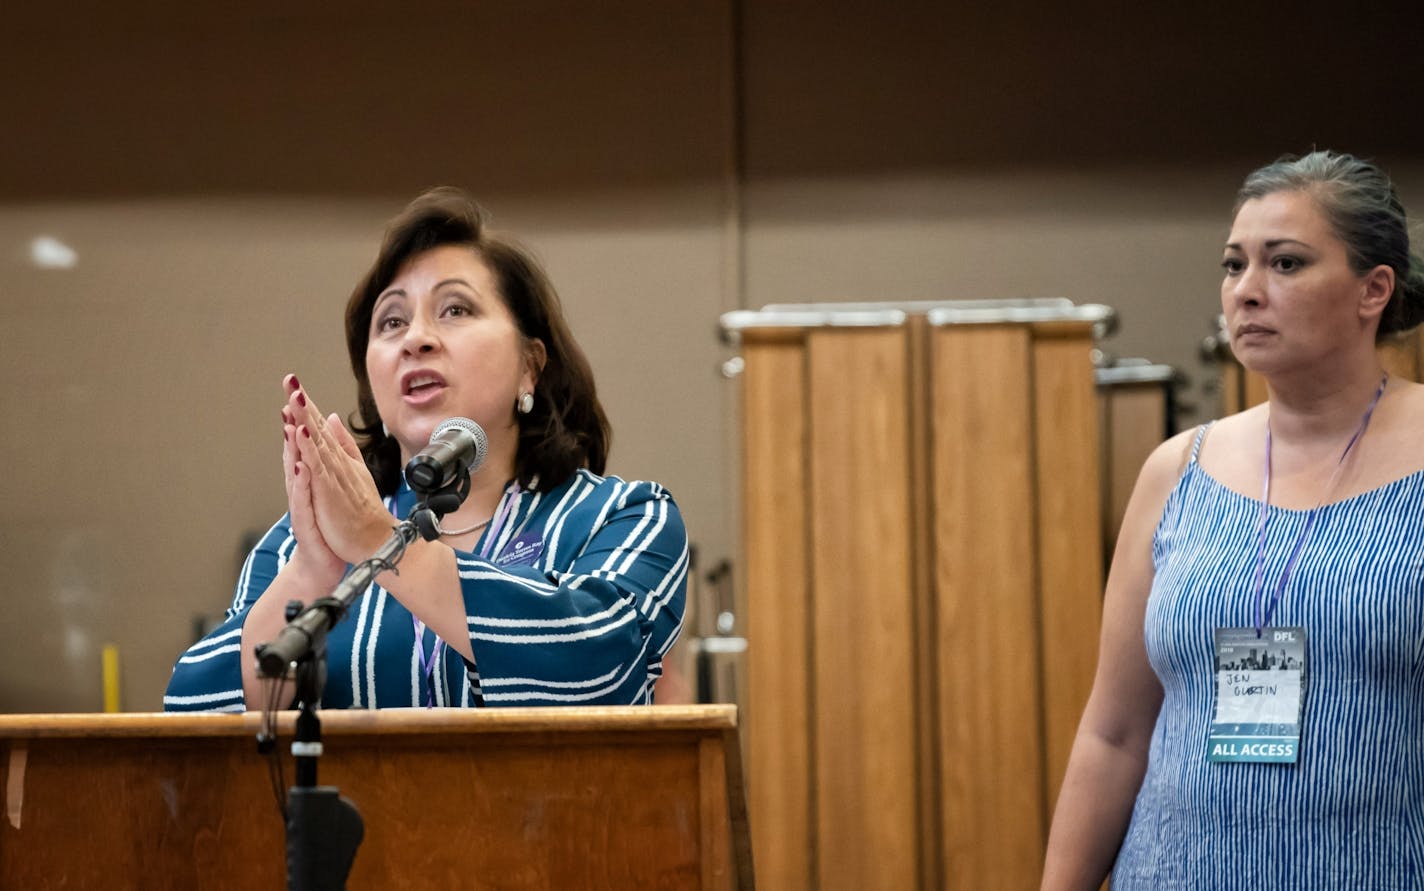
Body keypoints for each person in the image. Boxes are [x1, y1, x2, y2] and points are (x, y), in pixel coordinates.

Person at [1042, 151, 1424, 887]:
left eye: (1284, 264)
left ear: (1373, 290)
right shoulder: (1177, 470)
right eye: (1233, 265)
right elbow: (1114, 734)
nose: (1246, 292)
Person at [164, 188, 688, 712]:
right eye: (391, 321)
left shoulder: (622, 516)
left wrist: (379, 541)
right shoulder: (299, 542)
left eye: (455, 309)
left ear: (530, 365)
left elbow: (601, 667)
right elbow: (192, 716)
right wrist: (308, 573)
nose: (415, 338)